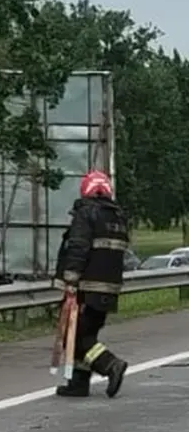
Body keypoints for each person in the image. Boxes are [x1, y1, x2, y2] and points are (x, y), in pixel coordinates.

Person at [53, 170, 129, 399]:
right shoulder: (117, 217)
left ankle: (110, 364)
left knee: (76, 337)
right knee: (85, 333)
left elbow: (78, 247)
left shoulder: (87, 213)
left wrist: (71, 280)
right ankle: (78, 382)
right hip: (108, 288)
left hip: (86, 286)